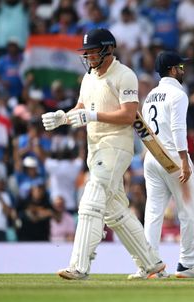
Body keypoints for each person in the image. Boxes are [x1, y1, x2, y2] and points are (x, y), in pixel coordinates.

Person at [41, 28, 165, 280]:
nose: (87, 56)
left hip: (116, 146)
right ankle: (152, 264)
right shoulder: (89, 77)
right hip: (95, 148)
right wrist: (62, 117)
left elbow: (129, 115)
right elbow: (81, 108)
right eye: (86, 52)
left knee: (92, 198)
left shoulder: (124, 75)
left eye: (92, 51)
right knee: (114, 211)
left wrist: (93, 115)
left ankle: (79, 266)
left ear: (108, 49)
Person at [139, 51, 194, 279]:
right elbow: (179, 128)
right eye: (181, 67)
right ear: (172, 69)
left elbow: (143, 128)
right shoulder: (178, 94)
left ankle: (148, 265)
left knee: (153, 212)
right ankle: (188, 264)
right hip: (172, 156)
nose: (183, 70)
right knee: (189, 211)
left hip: (151, 157)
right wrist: (183, 159)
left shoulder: (151, 95)